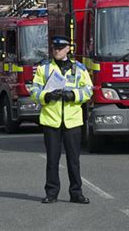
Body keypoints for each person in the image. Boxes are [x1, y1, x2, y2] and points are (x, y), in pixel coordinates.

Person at [30, 35, 93, 204]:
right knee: (52, 160)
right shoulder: (44, 68)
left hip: (72, 121)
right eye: (54, 48)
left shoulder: (79, 68)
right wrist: (47, 95)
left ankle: (76, 193)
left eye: (60, 48)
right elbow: (34, 90)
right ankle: (51, 193)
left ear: (68, 49)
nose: (56, 51)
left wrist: (73, 95)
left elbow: (88, 91)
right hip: (51, 120)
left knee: (73, 161)